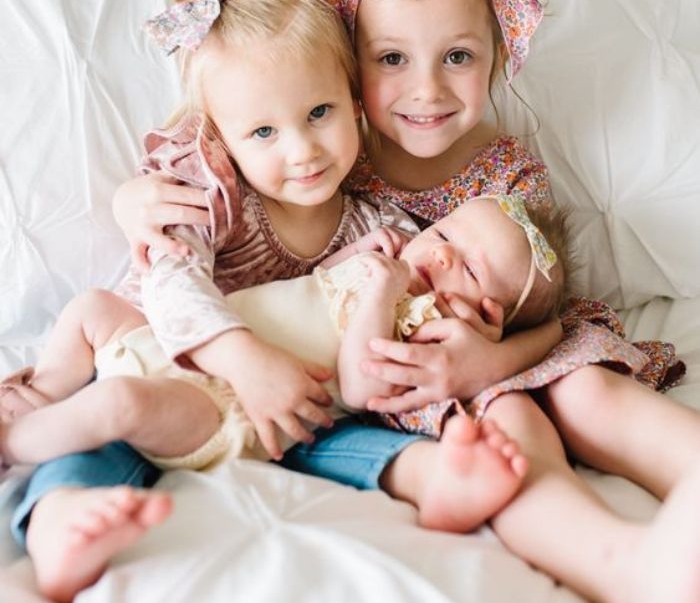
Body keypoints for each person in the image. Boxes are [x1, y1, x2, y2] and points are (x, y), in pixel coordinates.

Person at [100, 0, 700, 603]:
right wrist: (136, 200)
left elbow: (550, 311)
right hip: (412, 376)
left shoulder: (503, 167)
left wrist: (491, 357)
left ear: (500, 52)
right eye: (390, 59)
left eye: (459, 56)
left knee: (588, 395)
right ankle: (624, 566)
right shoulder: (321, 153)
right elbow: (219, 145)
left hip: (514, 344)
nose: (426, 91)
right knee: (510, 427)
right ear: (347, 66)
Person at [1, 195, 568, 515]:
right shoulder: (391, 264)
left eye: (468, 269)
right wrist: (353, 259)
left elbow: (359, 382)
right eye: (444, 233)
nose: (442, 257)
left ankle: (13, 443)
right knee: (93, 306)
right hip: (197, 345)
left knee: (121, 402)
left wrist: (382, 291)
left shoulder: (426, 332)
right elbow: (312, 293)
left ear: (488, 318)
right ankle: (41, 392)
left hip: (224, 406)